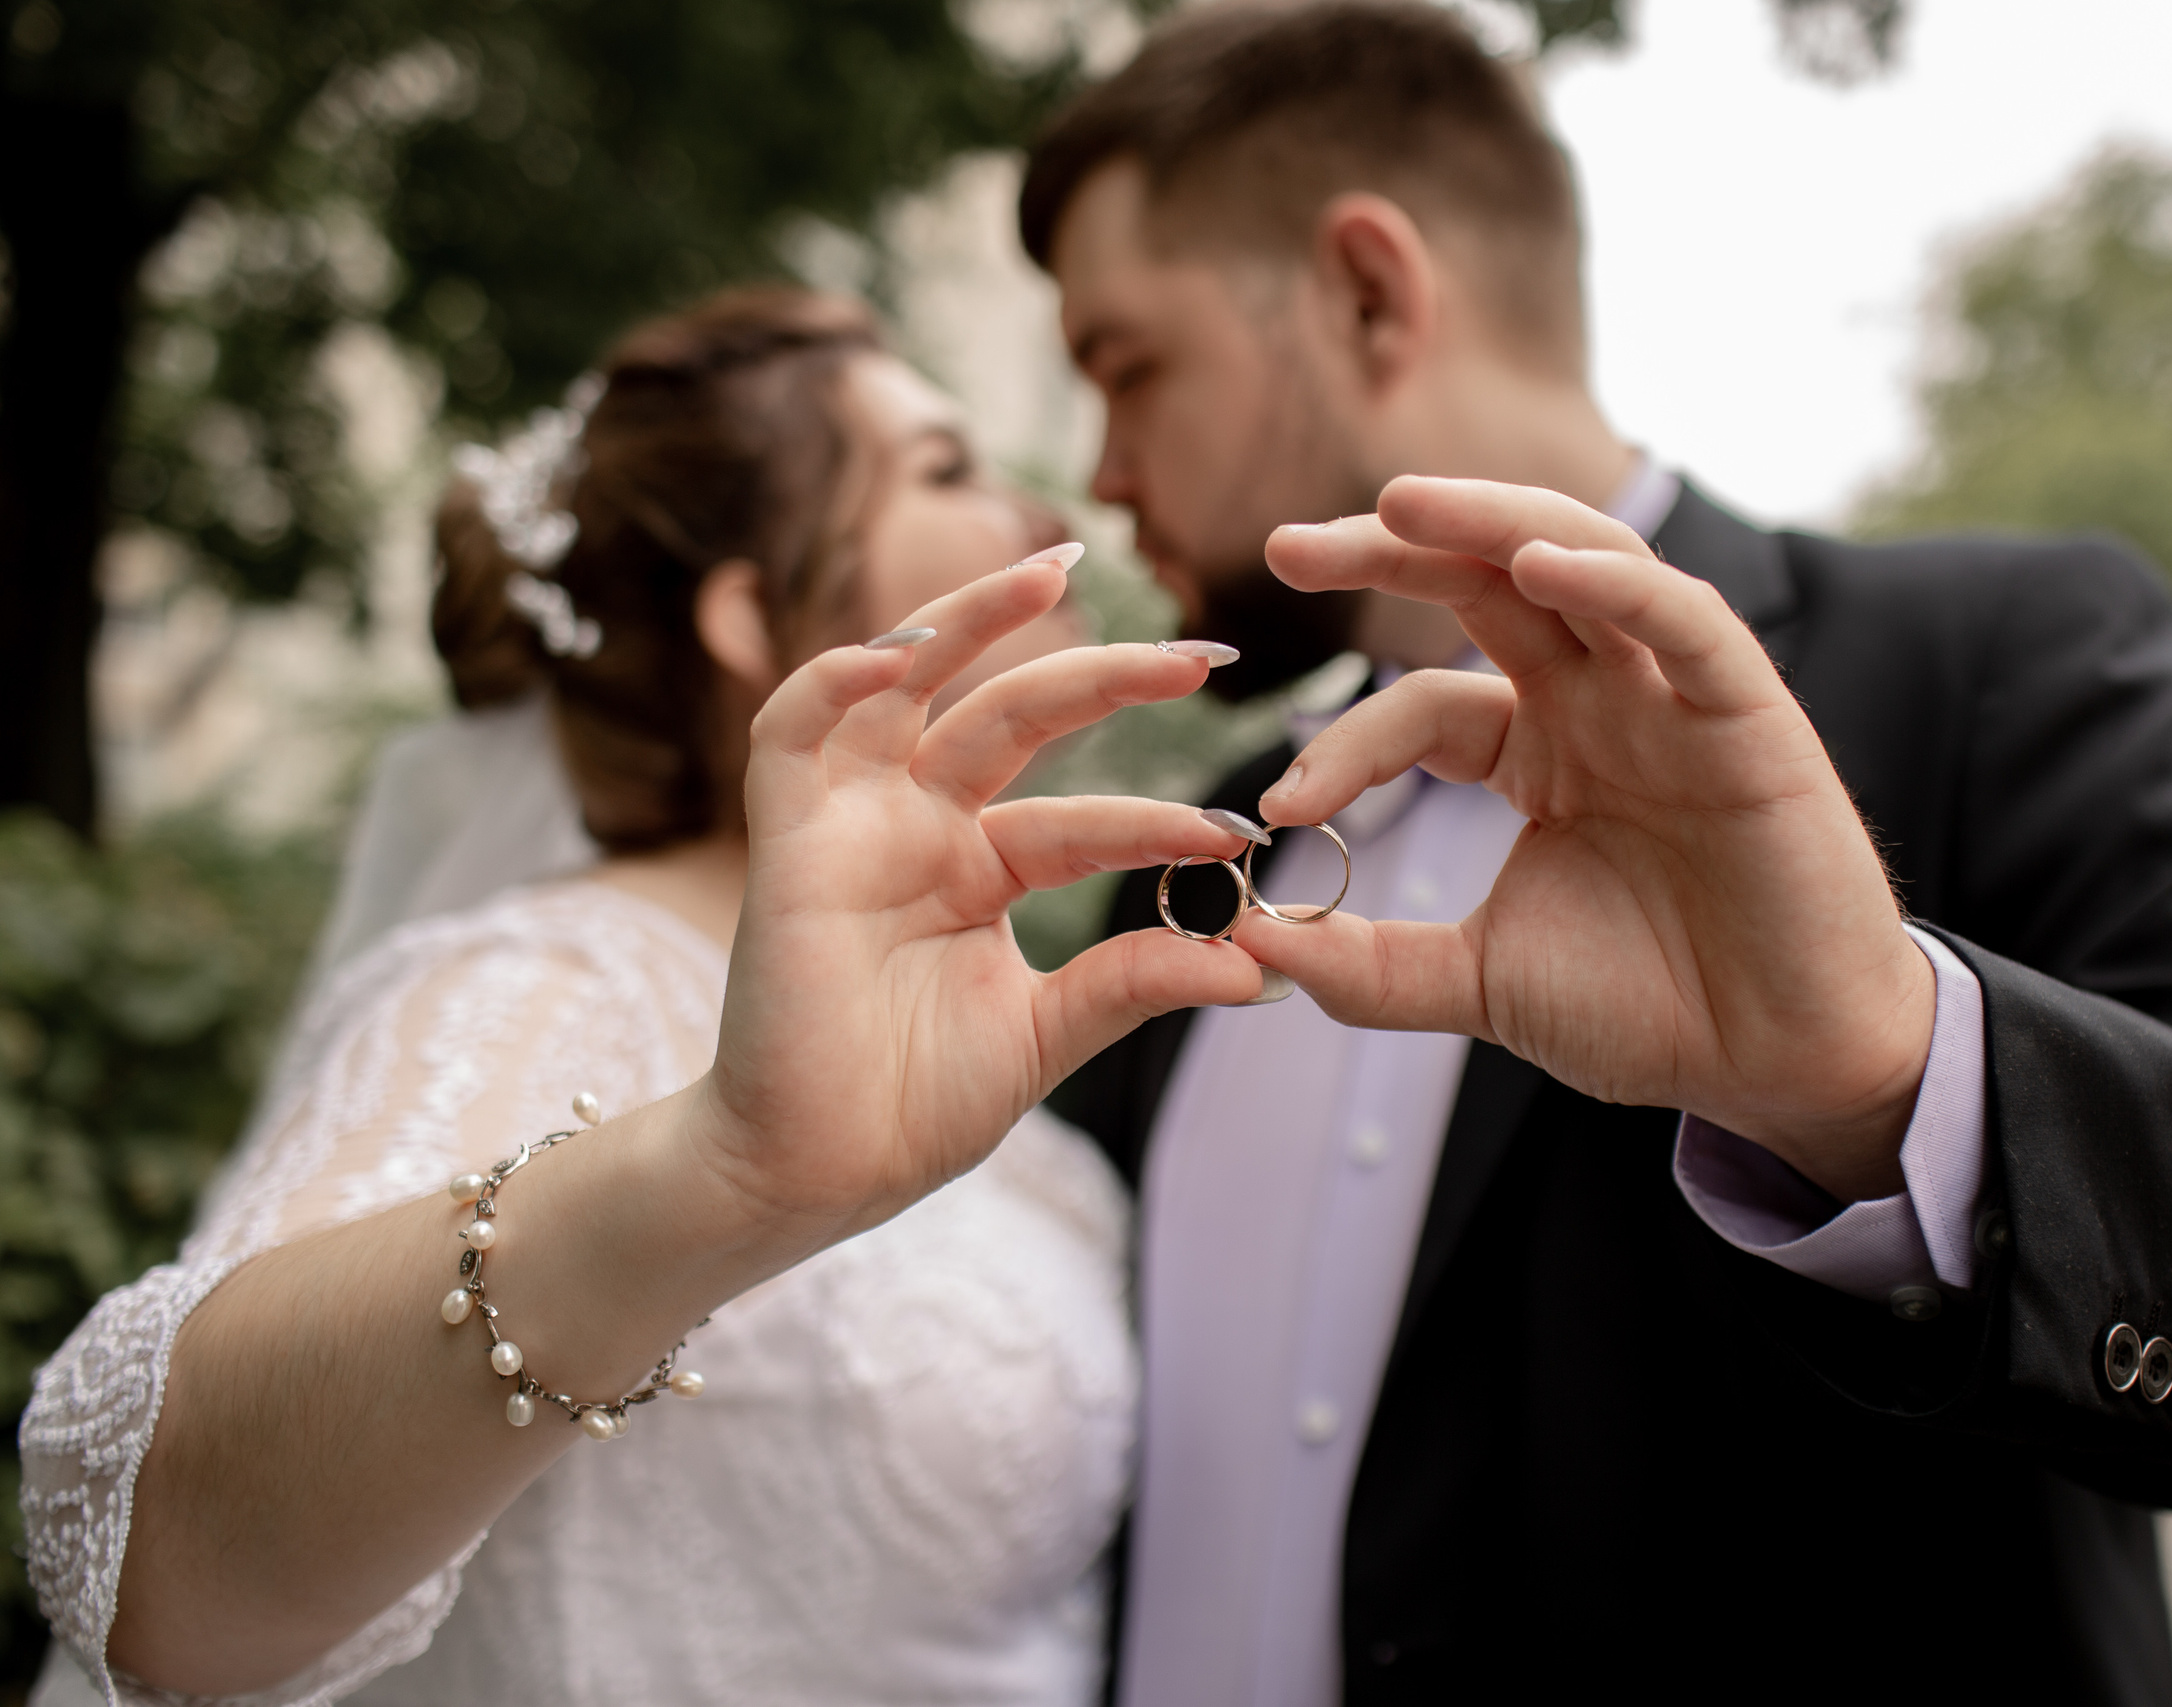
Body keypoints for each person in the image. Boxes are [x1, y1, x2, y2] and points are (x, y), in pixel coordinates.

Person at [1020, 5, 2172, 1702]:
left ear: (1370, 290)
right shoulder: (1193, 845)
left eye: (1124, 363)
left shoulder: (1993, 664)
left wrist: (1889, 1073)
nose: (1101, 467)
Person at [17, 285, 1275, 1706]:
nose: (1034, 504)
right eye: (946, 468)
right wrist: (724, 1177)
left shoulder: (965, 1016)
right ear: (749, 611)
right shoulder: (543, 978)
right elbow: (141, 1555)